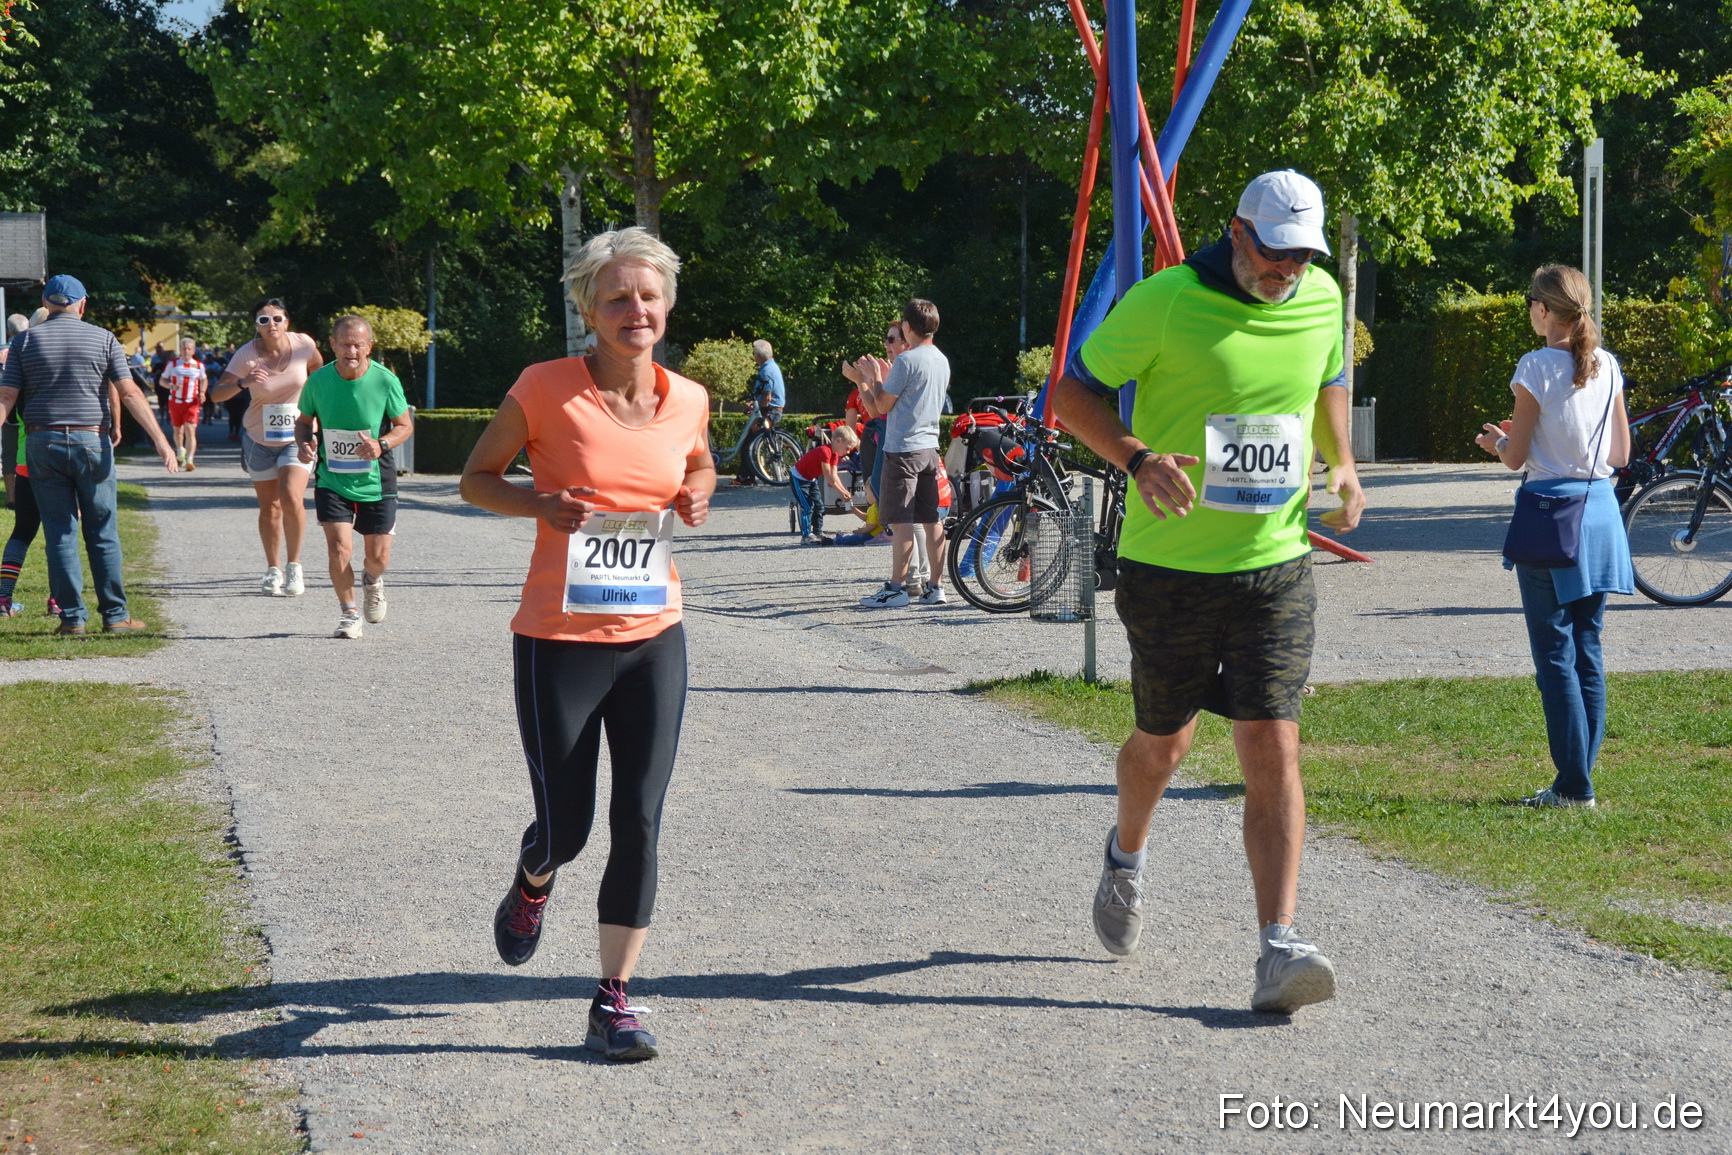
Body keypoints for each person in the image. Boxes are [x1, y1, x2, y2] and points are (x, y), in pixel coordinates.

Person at [1051, 170, 1366, 1014]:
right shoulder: (1165, 301)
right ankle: (1125, 854)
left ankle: (1279, 945)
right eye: (1274, 251)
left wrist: (1342, 459)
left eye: (1302, 256)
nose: (1287, 269)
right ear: (1236, 231)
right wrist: (1137, 458)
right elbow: (1069, 394)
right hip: (1171, 571)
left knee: (1273, 743)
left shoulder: (1321, 296)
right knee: (1165, 744)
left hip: (1276, 564)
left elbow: (1329, 376)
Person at [459, 226, 714, 1064]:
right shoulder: (544, 387)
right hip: (559, 641)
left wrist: (698, 490)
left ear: (666, 305)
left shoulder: (690, 397)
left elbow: (699, 463)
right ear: (589, 310)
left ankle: (613, 999)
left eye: (648, 295)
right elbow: (475, 478)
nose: (635, 309)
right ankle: (533, 879)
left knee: (638, 817)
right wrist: (540, 505)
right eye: (616, 298)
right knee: (565, 831)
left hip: (654, 635)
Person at [1474, 265, 1631, 808]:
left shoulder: (1536, 365)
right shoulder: (1607, 364)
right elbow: (1620, 454)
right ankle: (1578, 780)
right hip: (1601, 511)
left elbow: (1515, 456)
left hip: (1552, 517)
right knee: (1587, 647)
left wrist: (1496, 442)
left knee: (1555, 654)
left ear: (1543, 310)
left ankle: (1574, 786)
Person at [0, 275, 179, 634]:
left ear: (46, 303)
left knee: (59, 533)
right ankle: (115, 616)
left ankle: (71, 619)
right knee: (102, 531)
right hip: (92, 441)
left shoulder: (23, 342)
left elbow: (6, 397)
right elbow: (130, 393)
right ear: (82, 305)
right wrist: (161, 440)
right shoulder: (104, 338)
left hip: (42, 442)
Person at [293, 316, 414, 640]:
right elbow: (303, 422)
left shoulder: (385, 380)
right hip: (332, 478)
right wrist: (304, 443)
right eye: (345, 344)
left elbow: (404, 426)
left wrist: (381, 444)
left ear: (369, 346)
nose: (352, 351)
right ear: (332, 345)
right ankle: (349, 614)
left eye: (358, 345)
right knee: (339, 548)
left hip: (376, 478)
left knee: (379, 557)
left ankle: (372, 579)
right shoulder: (318, 381)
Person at [210, 298, 323, 596]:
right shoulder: (246, 355)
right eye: (263, 320)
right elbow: (216, 395)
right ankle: (273, 569)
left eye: (276, 318)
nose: (271, 324)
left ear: (287, 322)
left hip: (296, 436)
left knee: (291, 496)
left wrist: (315, 404)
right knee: (270, 507)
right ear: (256, 326)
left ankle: (294, 567)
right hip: (259, 439)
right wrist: (244, 383)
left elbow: (319, 368)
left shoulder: (303, 344)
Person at [852, 299, 950, 608]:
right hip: (929, 448)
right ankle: (936, 587)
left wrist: (875, 377)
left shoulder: (907, 360)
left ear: (907, 327)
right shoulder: (941, 359)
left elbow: (881, 406)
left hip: (903, 450)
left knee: (901, 521)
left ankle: (897, 588)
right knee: (932, 520)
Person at [791, 424, 861, 543]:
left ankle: (817, 532)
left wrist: (844, 491)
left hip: (810, 479)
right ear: (838, 441)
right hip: (799, 478)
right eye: (847, 448)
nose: (848, 452)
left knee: (819, 506)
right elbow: (828, 475)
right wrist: (840, 492)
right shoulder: (825, 451)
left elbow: (834, 475)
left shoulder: (835, 455)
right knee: (807, 506)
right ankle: (806, 535)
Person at [732, 339, 786, 486]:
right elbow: (763, 394)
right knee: (749, 442)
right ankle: (745, 478)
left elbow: (767, 398)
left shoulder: (766, 370)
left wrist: (758, 419)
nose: (754, 357)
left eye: (754, 354)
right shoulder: (771, 367)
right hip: (774, 409)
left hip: (770, 411)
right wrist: (752, 402)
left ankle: (745, 478)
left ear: (759, 355)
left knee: (748, 444)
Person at [161, 337, 208, 471]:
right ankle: (180, 449)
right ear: (180, 350)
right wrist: (171, 386)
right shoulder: (173, 364)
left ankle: (190, 460)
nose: (186, 351)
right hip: (175, 401)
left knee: (190, 429)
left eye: (189, 349)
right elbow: (162, 381)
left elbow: (204, 380)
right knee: (178, 430)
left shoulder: (198, 365)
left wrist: (202, 392)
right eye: (184, 348)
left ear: (193, 351)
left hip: (192, 402)